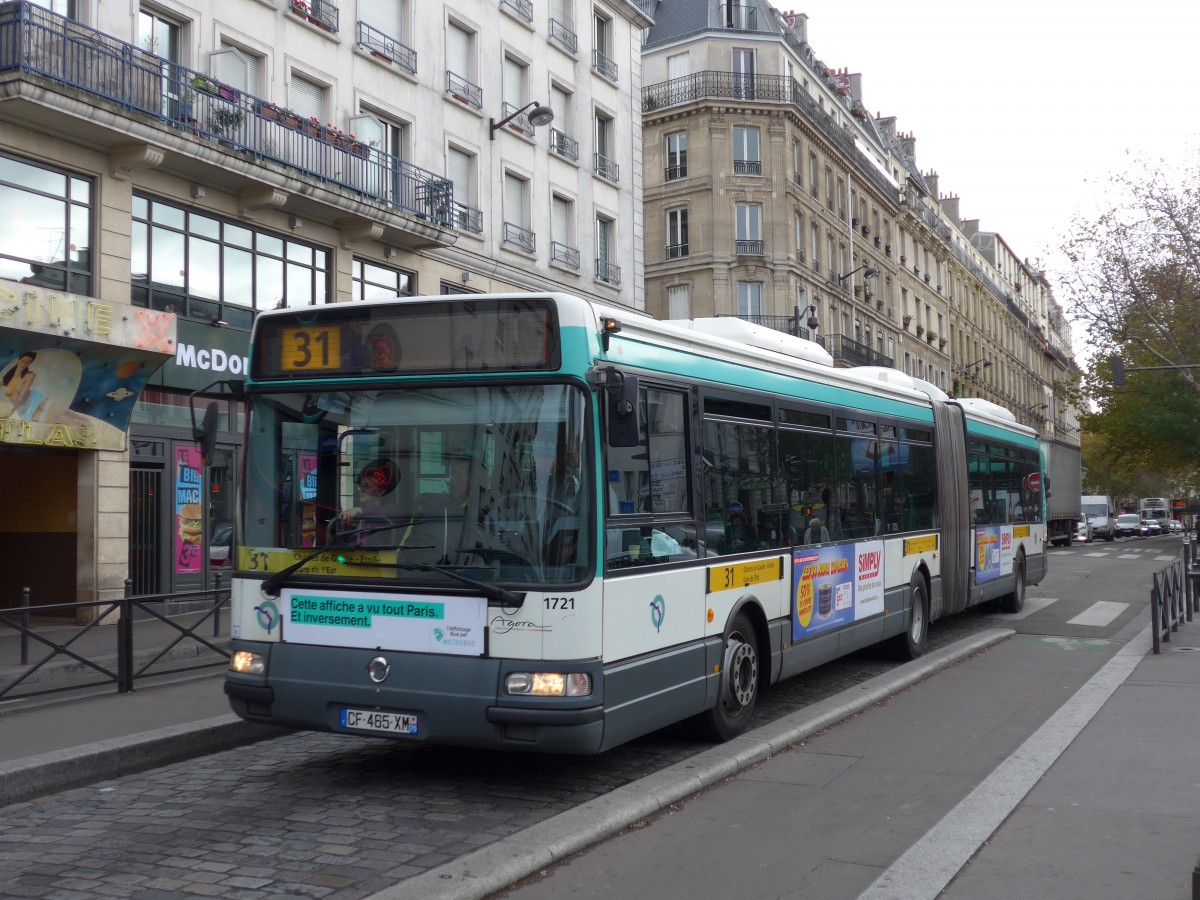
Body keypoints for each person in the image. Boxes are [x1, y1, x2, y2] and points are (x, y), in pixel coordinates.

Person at [2, 351, 92, 426]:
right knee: (56, 419)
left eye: (27, 362)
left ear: (30, 363)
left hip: (34, 399)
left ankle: (83, 420)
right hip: (23, 409)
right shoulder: (6, 379)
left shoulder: (29, 375)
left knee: (61, 411)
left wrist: (9, 414)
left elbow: (22, 395)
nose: (24, 364)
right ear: (19, 360)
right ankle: (82, 424)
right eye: (23, 361)